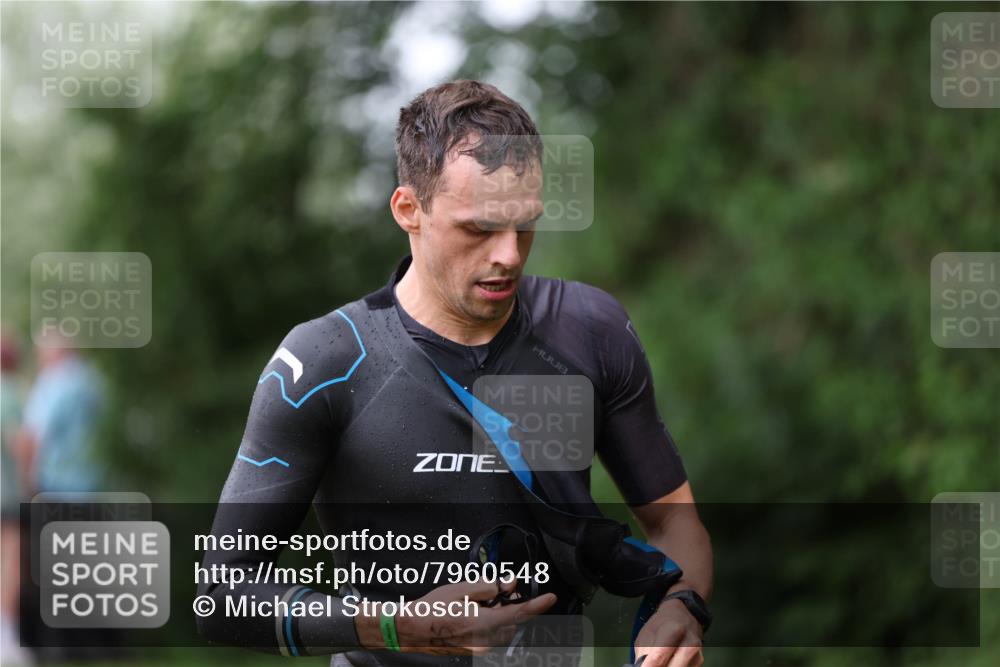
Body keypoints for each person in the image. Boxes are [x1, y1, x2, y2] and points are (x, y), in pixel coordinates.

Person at [198, 80, 713, 667]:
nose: (509, 255)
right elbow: (222, 597)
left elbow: (675, 524)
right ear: (408, 210)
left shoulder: (589, 332)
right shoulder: (324, 362)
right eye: (479, 228)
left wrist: (682, 607)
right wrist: (393, 627)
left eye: (525, 225)